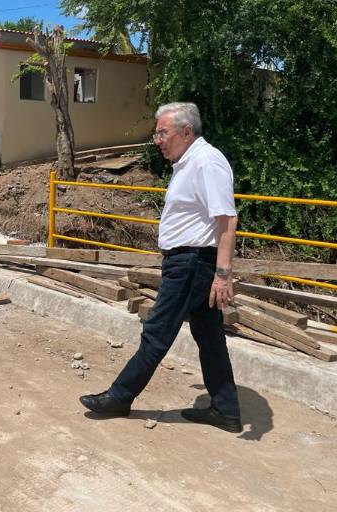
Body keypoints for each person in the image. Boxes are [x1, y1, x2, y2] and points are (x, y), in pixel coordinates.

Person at [79, 102, 242, 433]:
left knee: (157, 331)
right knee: (209, 337)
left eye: (162, 132)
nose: (157, 139)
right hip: (188, 262)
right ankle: (225, 410)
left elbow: (226, 218)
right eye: (156, 133)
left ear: (185, 131)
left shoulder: (207, 162)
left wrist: (223, 275)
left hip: (191, 264)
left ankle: (120, 397)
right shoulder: (188, 162)